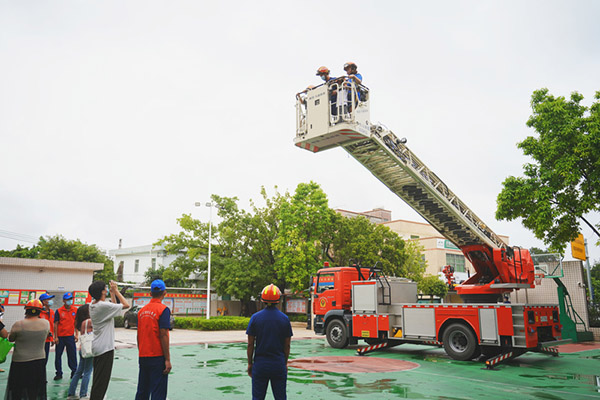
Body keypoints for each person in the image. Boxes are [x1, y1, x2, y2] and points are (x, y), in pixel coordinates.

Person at [246, 284, 293, 400]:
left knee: (257, 397)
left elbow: (250, 344)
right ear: (278, 299)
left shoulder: (255, 318)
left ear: (262, 299)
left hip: (260, 365)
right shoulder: (284, 319)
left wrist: (250, 363)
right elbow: (287, 345)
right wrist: (284, 363)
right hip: (278, 364)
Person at [88, 280, 130, 400]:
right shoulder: (102, 306)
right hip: (105, 349)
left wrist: (112, 294)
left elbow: (114, 308)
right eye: (105, 288)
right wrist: (116, 291)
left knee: (98, 380)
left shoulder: (93, 304)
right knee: (101, 382)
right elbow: (126, 305)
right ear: (101, 291)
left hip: (98, 347)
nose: (107, 289)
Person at [134, 279, 172, 400]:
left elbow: (138, 335)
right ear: (164, 293)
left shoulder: (141, 311)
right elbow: (163, 334)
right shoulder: (163, 310)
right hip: (157, 356)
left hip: (143, 356)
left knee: (142, 390)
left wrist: (141, 352)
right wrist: (167, 359)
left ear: (150, 293)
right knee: (158, 392)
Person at [5, 299, 50, 399]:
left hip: (20, 362)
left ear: (26, 310)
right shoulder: (46, 323)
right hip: (38, 360)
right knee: (34, 389)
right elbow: (46, 334)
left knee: (18, 388)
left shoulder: (18, 324)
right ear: (40, 311)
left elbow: (11, 339)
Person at [67, 304, 94, 400]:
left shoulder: (81, 323)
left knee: (79, 372)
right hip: (89, 350)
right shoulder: (90, 321)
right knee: (87, 372)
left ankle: (71, 392)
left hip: (83, 349)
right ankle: (83, 394)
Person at [54, 292, 78, 380]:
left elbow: (76, 323)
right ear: (64, 301)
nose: (69, 301)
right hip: (60, 337)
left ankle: (74, 372)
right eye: (68, 299)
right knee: (58, 356)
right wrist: (55, 337)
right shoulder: (59, 311)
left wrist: (76, 334)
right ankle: (59, 373)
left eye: (71, 299)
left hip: (70, 336)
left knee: (72, 355)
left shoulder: (75, 310)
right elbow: (55, 324)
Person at [39, 292, 56, 364]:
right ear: (43, 301)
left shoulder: (52, 312)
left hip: (48, 339)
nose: (50, 301)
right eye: (48, 299)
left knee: (45, 359)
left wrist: (53, 338)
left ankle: (41, 374)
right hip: (39, 340)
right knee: (39, 359)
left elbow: (53, 326)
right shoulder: (38, 312)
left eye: (50, 299)